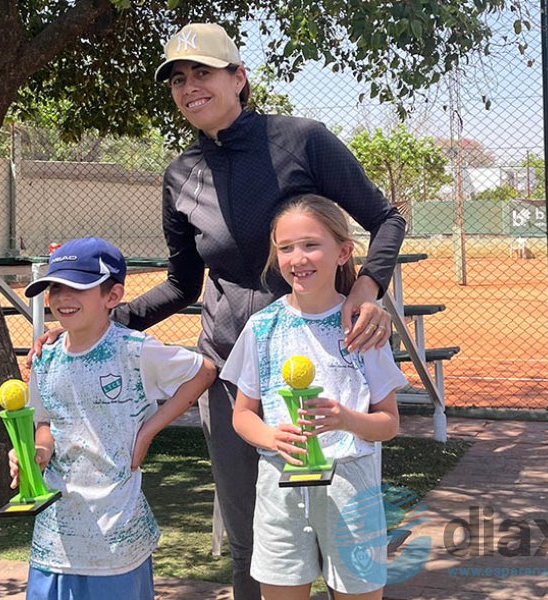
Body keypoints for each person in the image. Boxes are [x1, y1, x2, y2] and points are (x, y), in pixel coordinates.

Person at [31, 23, 406, 597]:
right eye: (178, 79)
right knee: (252, 541)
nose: (190, 87)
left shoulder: (302, 140)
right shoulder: (181, 175)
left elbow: (386, 219)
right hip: (233, 374)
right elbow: (182, 285)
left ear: (239, 77)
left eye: (202, 72)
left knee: (345, 539)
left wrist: (368, 287)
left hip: (326, 362)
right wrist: (94, 322)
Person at [221, 195, 405, 599]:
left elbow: (389, 423)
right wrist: (272, 438)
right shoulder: (262, 327)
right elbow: (243, 415)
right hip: (280, 490)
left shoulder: (364, 328)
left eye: (310, 245)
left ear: (343, 252)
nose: (297, 258)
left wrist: (346, 419)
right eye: (285, 248)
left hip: (352, 490)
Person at [12, 237, 216, 600]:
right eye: (55, 288)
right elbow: (46, 426)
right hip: (54, 539)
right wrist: (37, 454)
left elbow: (203, 371)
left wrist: (148, 431)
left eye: (77, 287)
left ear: (113, 295)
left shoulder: (134, 350)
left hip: (117, 536)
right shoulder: (44, 358)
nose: (62, 297)